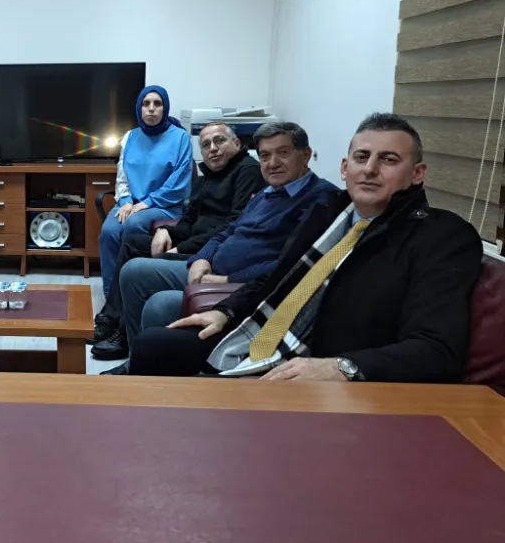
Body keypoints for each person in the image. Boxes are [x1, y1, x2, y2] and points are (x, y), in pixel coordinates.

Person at [131, 113, 483, 384]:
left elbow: (437, 350)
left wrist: (344, 367)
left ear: (418, 173)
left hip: (323, 363)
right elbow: (279, 274)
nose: (370, 169)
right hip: (264, 336)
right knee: (153, 345)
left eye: (388, 160)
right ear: (345, 167)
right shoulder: (329, 212)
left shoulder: (442, 236)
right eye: (362, 157)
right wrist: (226, 311)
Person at [102, 121, 335, 375]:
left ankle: (143, 366)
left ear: (306, 155)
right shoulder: (268, 192)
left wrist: (227, 279)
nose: (273, 163)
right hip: (209, 266)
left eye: (283, 153)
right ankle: (134, 358)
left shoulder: (319, 200)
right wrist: (203, 257)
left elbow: (291, 265)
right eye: (265, 155)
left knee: (157, 304)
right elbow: (230, 229)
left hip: (234, 283)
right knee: (133, 271)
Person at [90, 122, 264, 359]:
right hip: (194, 243)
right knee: (133, 243)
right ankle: (111, 319)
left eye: (219, 141)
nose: (213, 149)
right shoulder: (207, 177)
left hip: (209, 252)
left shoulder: (248, 171)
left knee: (136, 265)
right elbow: (189, 220)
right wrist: (166, 231)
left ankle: (122, 337)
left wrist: (181, 247)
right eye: (206, 145)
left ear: (236, 143)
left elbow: (231, 226)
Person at [99, 85, 193, 298]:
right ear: (139, 108)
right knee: (109, 231)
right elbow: (122, 175)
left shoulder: (180, 137)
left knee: (133, 225)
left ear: (165, 108)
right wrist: (125, 200)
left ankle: (132, 291)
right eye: (146, 103)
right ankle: (111, 296)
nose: (151, 108)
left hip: (165, 205)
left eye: (157, 104)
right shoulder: (130, 137)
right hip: (131, 203)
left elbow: (179, 183)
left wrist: (146, 203)